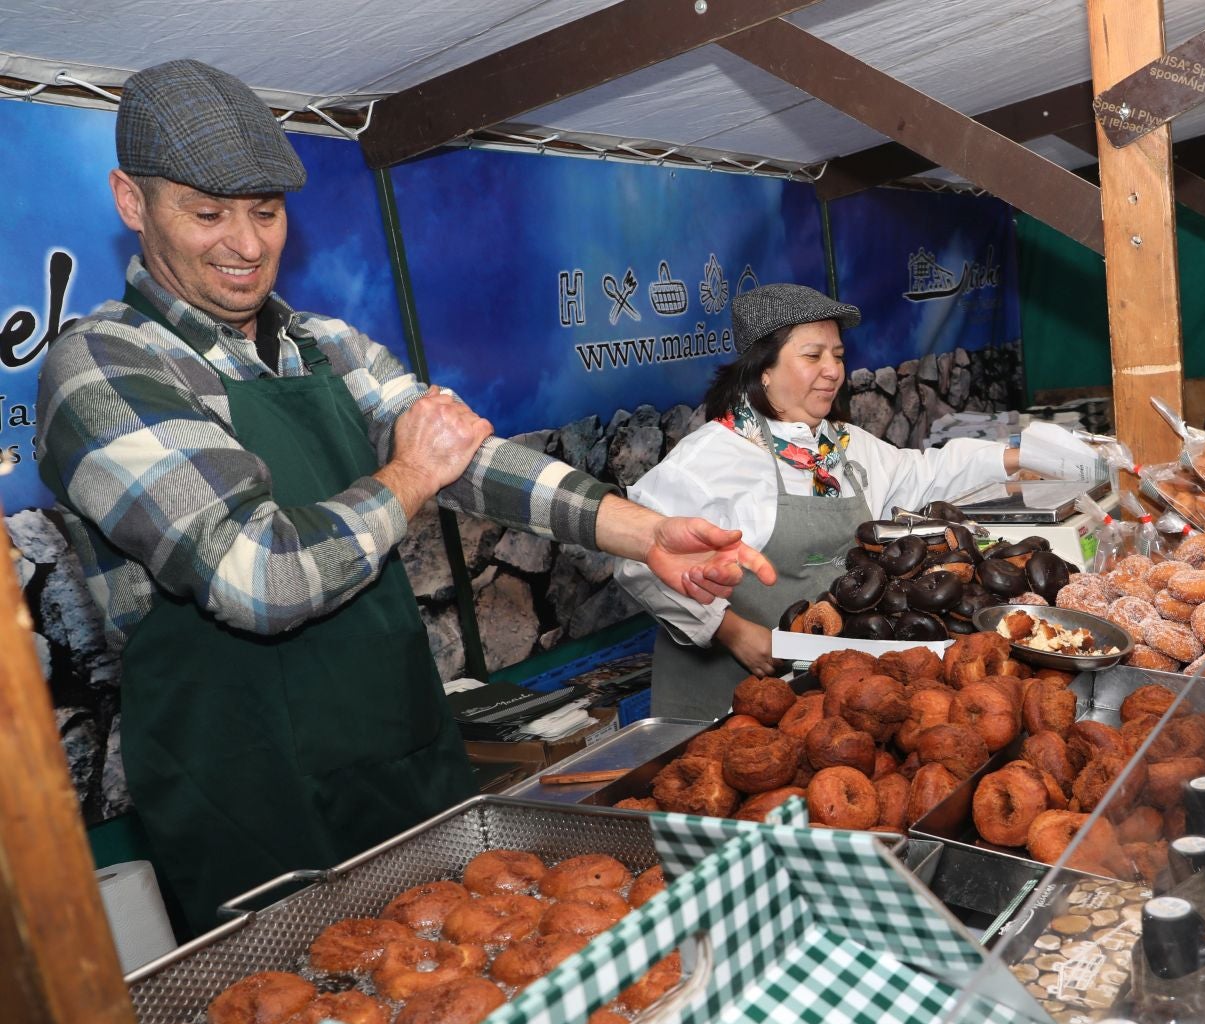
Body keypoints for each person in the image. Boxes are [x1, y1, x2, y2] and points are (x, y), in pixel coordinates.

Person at [36, 60, 773, 934]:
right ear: (132, 201)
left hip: (399, 757)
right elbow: (254, 573)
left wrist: (644, 531)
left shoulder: (326, 344)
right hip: (249, 800)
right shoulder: (105, 367)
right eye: (208, 213)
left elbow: (473, 460)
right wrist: (407, 476)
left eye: (266, 212)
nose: (245, 242)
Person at [616, 283, 1100, 719]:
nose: (833, 371)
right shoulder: (713, 457)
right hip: (721, 697)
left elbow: (927, 472)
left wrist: (1019, 455)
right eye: (813, 356)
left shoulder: (841, 448)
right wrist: (730, 629)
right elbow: (637, 557)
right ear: (763, 369)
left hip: (816, 697)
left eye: (838, 355)